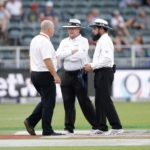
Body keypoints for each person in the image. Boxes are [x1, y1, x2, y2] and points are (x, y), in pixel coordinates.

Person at [56, 19, 98, 134]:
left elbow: (81, 55)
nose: (71, 30)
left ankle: (96, 125)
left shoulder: (84, 41)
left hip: (80, 73)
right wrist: (71, 51)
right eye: (69, 28)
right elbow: (58, 55)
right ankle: (69, 127)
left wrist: (67, 54)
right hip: (66, 73)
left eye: (73, 28)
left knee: (84, 102)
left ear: (78, 29)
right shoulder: (64, 41)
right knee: (67, 102)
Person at [84, 18, 123, 135]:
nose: (93, 31)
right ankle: (102, 127)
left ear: (101, 29)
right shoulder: (102, 40)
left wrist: (91, 65)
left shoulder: (105, 40)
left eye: (95, 29)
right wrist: (92, 65)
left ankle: (117, 126)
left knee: (105, 99)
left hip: (105, 71)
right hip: (101, 71)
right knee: (99, 100)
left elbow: (107, 59)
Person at [24, 20, 62, 136]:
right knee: (49, 102)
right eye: (53, 28)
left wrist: (31, 73)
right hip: (45, 74)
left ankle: (30, 121)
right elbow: (47, 60)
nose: (54, 31)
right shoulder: (45, 42)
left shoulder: (34, 40)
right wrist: (55, 75)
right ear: (49, 29)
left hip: (35, 73)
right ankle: (47, 130)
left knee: (46, 100)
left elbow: (31, 58)